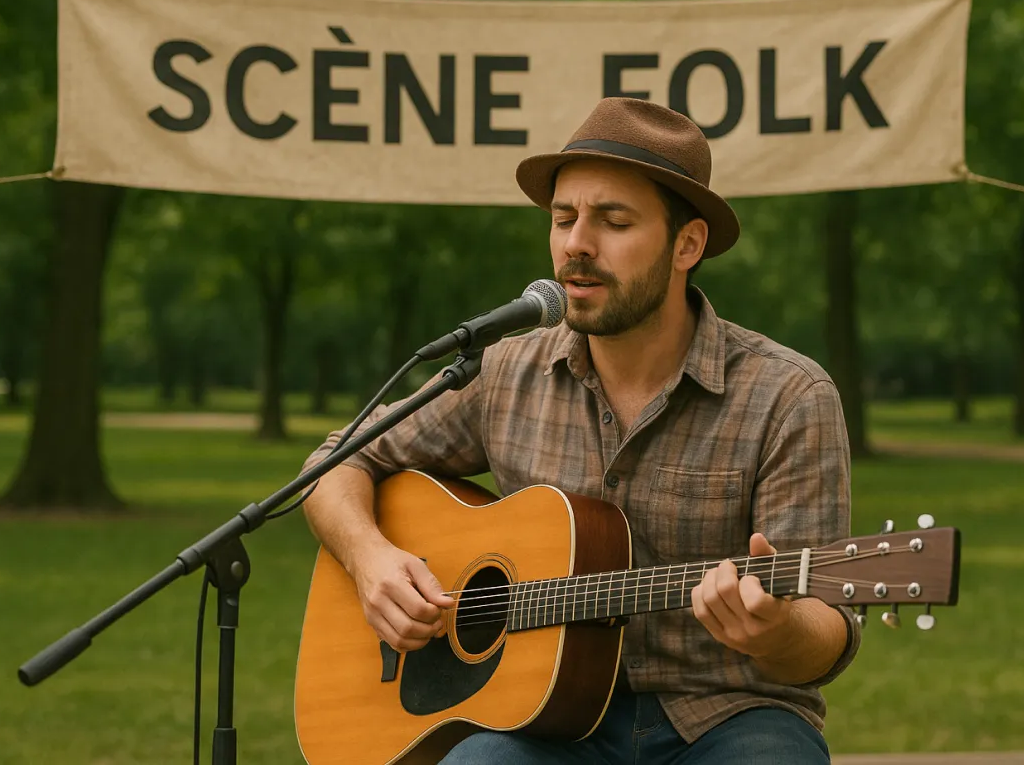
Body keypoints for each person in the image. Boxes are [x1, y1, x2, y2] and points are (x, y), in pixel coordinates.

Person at [300, 97, 859, 764]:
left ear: (688, 243)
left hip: (730, 714)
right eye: (564, 218)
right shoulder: (506, 370)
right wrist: (370, 559)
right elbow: (336, 459)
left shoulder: (790, 396)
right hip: (544, 721)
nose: (576, 244)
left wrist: (774, 629)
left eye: (612, 221)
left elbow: (825, 630)